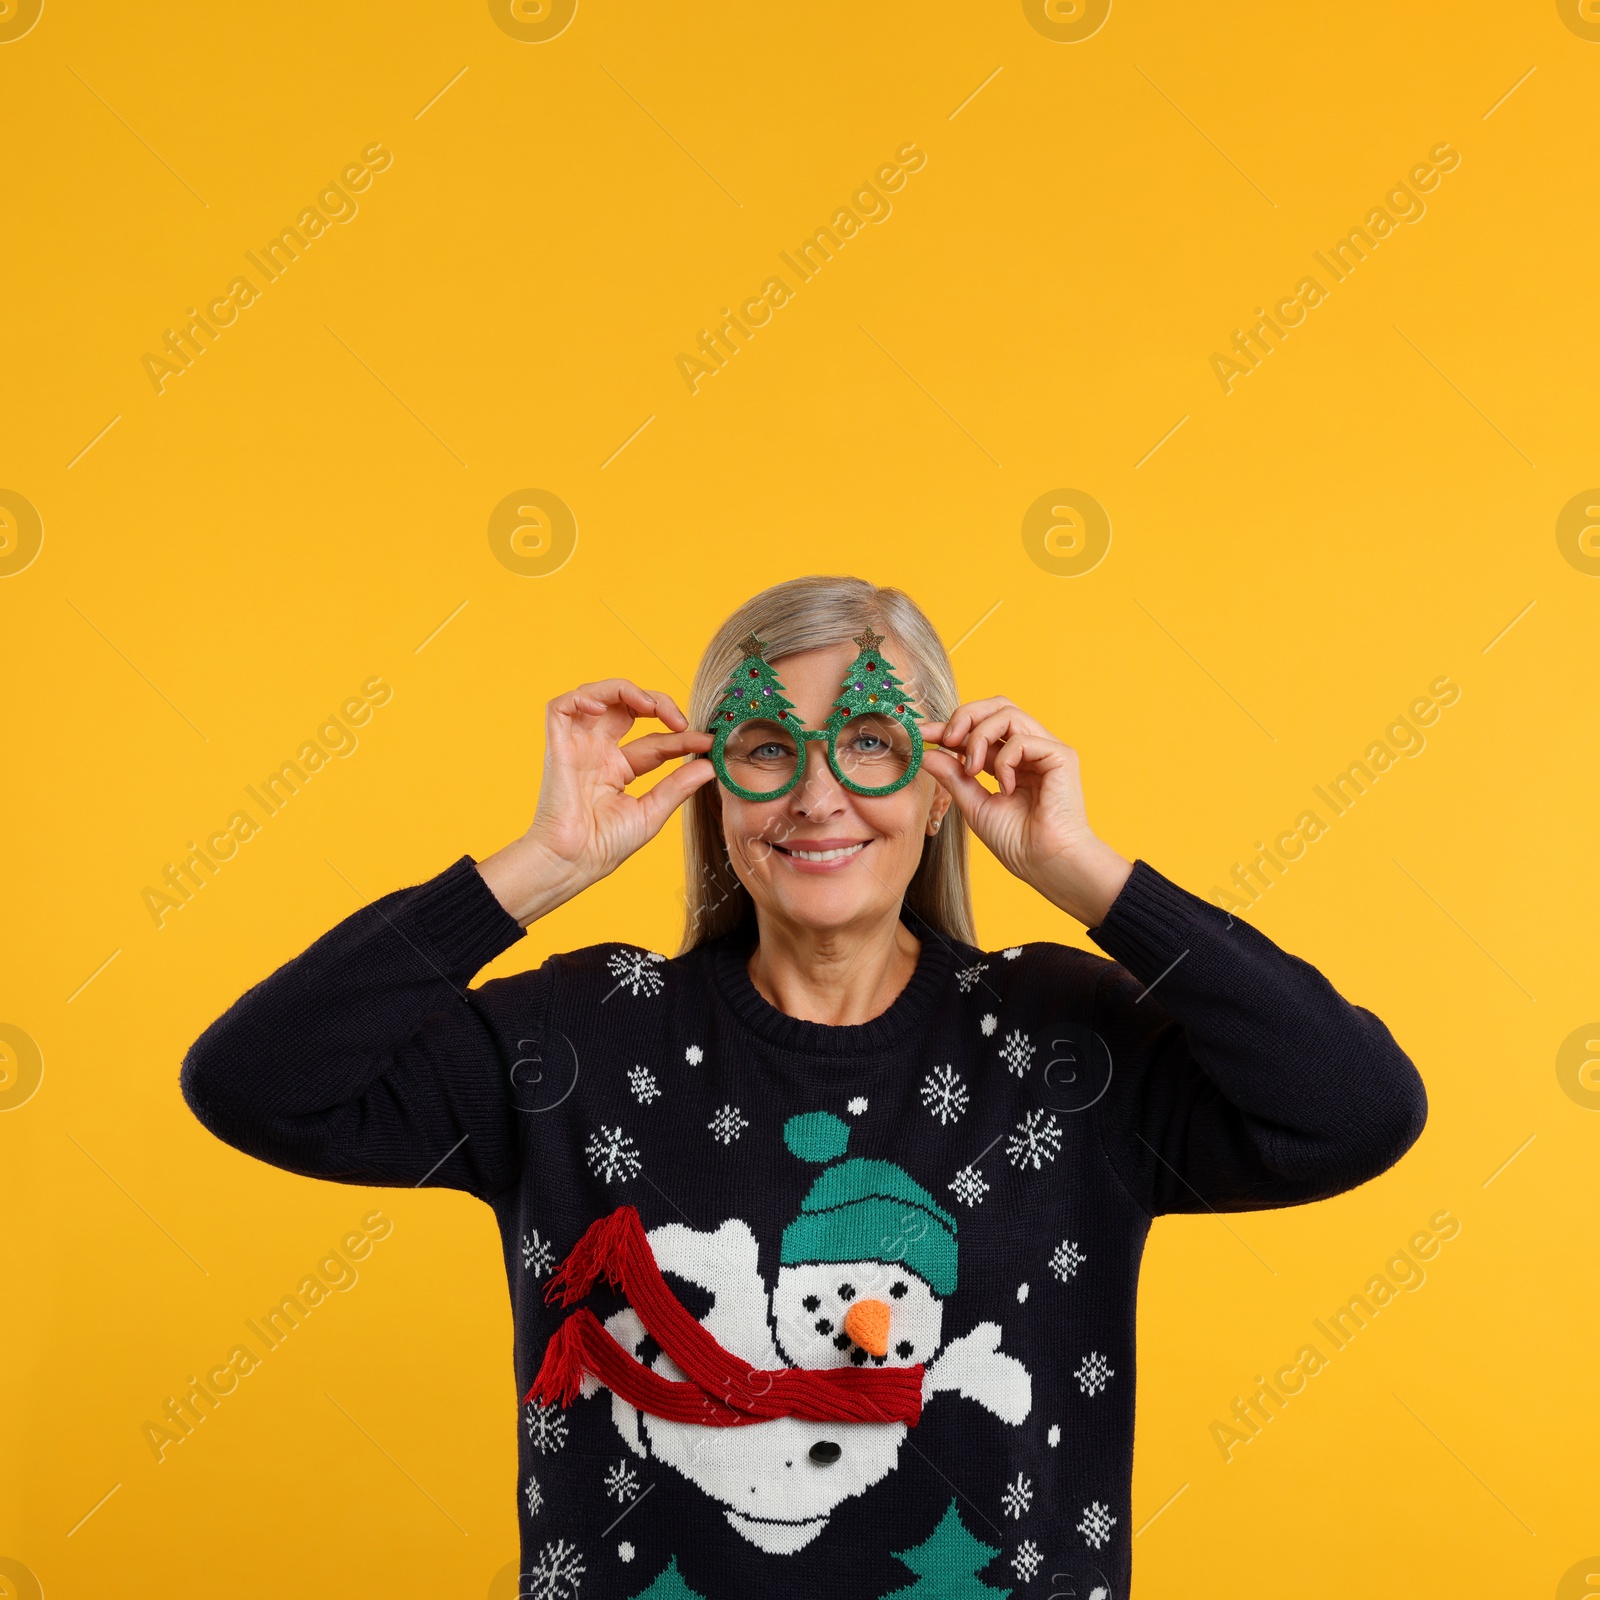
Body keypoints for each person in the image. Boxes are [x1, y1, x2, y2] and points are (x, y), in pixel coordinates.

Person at [181, 574, 1427, 1599]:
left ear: (943, 786)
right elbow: (254, 1081)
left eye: (873, 745)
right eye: (770, 749)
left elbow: (1356, 1108)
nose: (820, 795)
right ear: (714, 783)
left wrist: (1085, 870)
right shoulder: (578, 1037)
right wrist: (539, 864)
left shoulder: (1060, 1045)